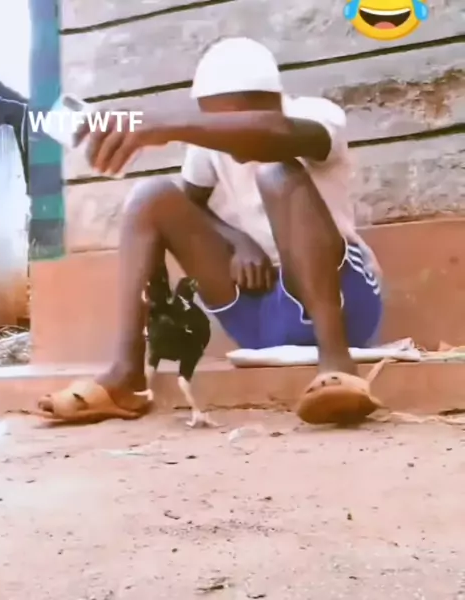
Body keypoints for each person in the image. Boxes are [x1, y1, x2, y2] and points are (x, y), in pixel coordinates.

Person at [48, 37, 384, 423]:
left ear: (267, 105)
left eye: (224, 123)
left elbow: (271, 133)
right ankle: (126, 377)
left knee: (277, 172)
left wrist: (168, 125)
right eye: (210, 122)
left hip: (343, 302)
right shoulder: (209, 147)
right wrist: (237, 239)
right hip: (261, 316)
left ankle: (338, 366)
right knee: (151, 196)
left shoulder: (317, 115)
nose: (218, 135)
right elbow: (189, 204)